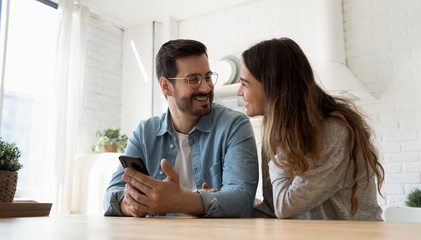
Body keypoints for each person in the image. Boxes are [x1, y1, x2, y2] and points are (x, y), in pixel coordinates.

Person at [104, 39, 259, 217]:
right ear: (166, 86)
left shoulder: (234, 125)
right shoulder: (145, 132)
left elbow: (242, 199)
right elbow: (112, 192)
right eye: (193, 80)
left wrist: (183, 201)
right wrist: (129, 205)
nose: (206, 87)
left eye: (208, 77)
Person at [237, 37, 385, 220]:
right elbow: (272, 207)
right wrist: (220, 208)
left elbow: (285, 207)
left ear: (271, 86)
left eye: (245, 83)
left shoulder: (334, 131)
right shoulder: (277, 132)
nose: (239, 92)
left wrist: (281, 152)